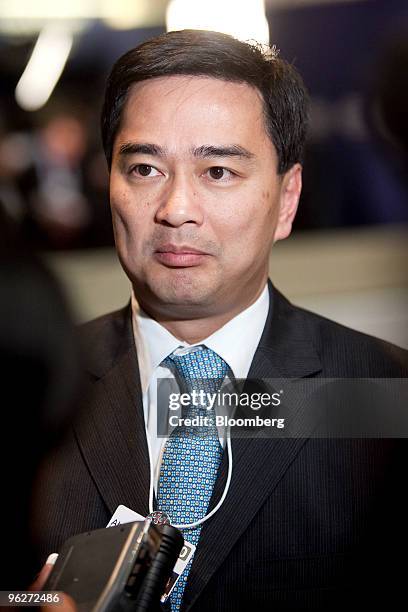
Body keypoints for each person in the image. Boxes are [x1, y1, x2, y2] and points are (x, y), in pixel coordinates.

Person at [32, 30, 408, 611]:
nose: (176, 209)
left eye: (218, 173)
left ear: (286, 200)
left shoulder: (381, 393)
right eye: (145, 169)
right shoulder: (29, 390)